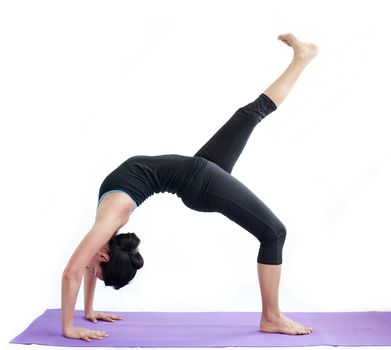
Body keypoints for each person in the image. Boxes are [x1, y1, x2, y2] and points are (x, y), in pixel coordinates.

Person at [61, 32, 319, 342]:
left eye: (96, 268)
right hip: (198, 181)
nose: (91, 266)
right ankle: (272, 317)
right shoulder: (107, 227)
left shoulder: (107, 223)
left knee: (250, 114)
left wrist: (72, 324)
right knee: (274, 233)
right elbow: (86, 267)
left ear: (103, 255)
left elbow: (72, 271)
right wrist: (86, 310)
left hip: (198, 175)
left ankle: (302, 57)